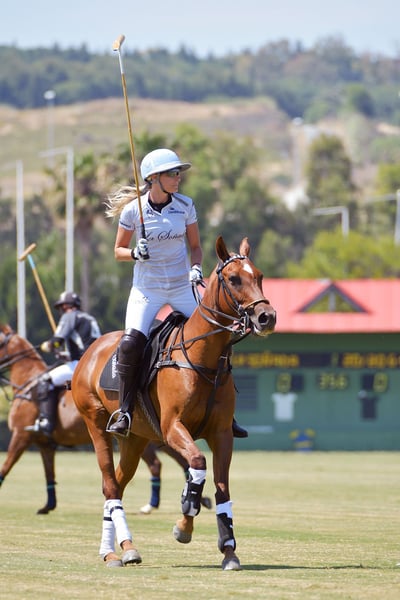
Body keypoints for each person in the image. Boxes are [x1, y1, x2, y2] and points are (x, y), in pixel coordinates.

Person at [105, 147, 248, 438]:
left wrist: (196, 268)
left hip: (181, 286)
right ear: (154, 178)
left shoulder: (185, 205)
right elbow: (118, 250)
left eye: (178, 172)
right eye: (172, 173)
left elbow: (195, 247)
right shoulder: (134, 211)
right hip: (147, 290)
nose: (178, 177)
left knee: (218, 335)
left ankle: (227, 413)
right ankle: (126, 411)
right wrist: (134, 253)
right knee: (130, 344)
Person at [25, 291, 101, 436]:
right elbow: (87, 345)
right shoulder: (89, 318)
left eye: (62, 307)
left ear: (66, 306)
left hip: (81, 366)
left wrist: (49, 345)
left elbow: (58, 340)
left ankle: (47, 422)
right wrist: (66, 355)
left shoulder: (69, 316)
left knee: (45, 380)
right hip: (96, 364)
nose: (61, 310)